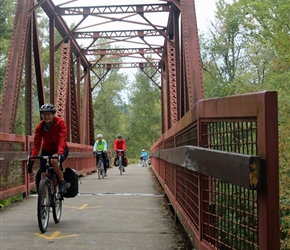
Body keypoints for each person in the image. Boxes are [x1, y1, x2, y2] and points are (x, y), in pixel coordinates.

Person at [27, 103, 69, 195]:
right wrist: (32, 159)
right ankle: (42, 202)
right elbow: (37, 144)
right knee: (43, 174)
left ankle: (61, 181)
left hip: (61, 148)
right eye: (44, 114)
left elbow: (62, 139)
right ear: (41, 115)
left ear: (53, 114)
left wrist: (60, 153)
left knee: (54, 160)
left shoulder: (60, 123)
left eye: (49, 114)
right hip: (46, 149)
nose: (46, 117)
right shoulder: (40, 127)